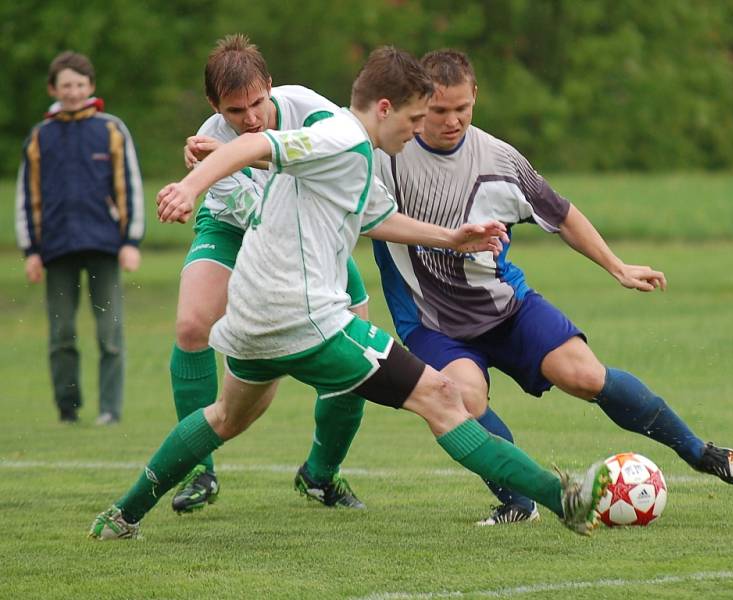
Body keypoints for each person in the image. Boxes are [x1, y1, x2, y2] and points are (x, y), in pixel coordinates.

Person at [89, 46, 612, 541]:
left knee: (225, 416)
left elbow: (377, 217)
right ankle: (559, 496)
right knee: (443, 398)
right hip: (302, 315)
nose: (416, 132)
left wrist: (451, 237)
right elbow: (253, 143)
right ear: (384, 108)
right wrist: (190, 187)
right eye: (412, 120)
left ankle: (123, 514)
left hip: (253, 315)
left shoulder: (352, 151)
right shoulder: (339, 136)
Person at [367, 49, 733, 521]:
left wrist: (617, 266)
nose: (452, 121)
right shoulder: (385, 158)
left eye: (462, 110)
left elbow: (562, 215)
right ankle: (518, 501)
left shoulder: (499, 159)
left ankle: (700, 452)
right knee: (461, 399)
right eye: (438, 111)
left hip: (506, 307)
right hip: (431, 325)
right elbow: (363, 217)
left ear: (475, 98)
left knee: (586, 375)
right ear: (417, 104)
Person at [168, 34, 369, 514]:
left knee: (361, 350)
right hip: (236, 228)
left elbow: (332, 174)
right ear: (215, 106)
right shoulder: (208, 139)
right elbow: (256, 213)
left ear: (271, 86)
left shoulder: (310, 109)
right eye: (236, 112)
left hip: (311, 234)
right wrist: (204, 173)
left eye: (258, 102)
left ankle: (321, 474)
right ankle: (199, 471)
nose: (252, 118)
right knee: (192, 325)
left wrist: (235, 153)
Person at [15, 51, 144, 425]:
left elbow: (129, 185)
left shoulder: (111, 129)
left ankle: (110, 411)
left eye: (80, 84)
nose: (73, 92)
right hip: (55, 249)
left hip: (105, 245)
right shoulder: (40, 136)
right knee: (63, 334)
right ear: (53, 89)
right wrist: (31, 251)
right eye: (66, 85)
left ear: (91, 87)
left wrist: (130, 241)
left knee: (109, 334)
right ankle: (67, 409)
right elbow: (27, 195)